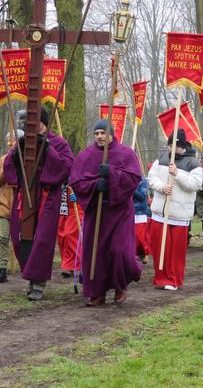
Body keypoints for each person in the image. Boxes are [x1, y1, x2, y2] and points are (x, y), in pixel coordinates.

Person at [70, 119, 143, 306]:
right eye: (96, 133)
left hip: (119, 212)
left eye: (103, 133)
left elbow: (134, 178)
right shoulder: (86, 155)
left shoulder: (126, 153)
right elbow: (77, 182)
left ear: (111, 134)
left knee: (119, 250)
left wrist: (112, 174)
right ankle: (97, 292)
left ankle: (120, 286)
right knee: (96, 252)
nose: (99, 137)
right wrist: (96, 185)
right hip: (97, 212)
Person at [4, 107, 74, 301]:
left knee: (42, 240)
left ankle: (39, 282)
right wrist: (17, 152)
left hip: (47, 197)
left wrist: (48, 149)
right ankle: (30, 276)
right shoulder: (24, 141)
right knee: (19, 238)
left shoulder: (59, 143)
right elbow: (9, 167)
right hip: (25, 196)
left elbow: (67, 167)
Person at [147, 129, 203, 291]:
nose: (173, 148)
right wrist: (162, 187)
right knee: (159, 249)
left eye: (177, 145)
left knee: (175, 251)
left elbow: (195, 185)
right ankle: (161, 278)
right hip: (159, 212)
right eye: (171, 145)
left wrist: (177, 173)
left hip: (179, 214)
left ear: (183, 145)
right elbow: (152, 177)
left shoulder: (193, 163)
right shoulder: (161, 159)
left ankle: (173, 279)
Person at [0, 129, 23, 284]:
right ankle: (2, 268)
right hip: (5, 204)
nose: (10, 143)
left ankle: (27, 266)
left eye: (14, 139)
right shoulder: (3, 159)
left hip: (22, 205)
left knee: (22, 239)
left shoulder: (27, 159)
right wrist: (6, 168)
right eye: (8, 140)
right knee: (3, 237)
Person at [57, 180, 83, 278]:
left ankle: (75, 264)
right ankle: (67, 263)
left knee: (71, 234)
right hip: (63, 198)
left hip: (76, 201)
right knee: (61, 235)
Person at [133, 176, 151, 263]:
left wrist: (131, 188)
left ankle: (143, 253)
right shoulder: (124, 179)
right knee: (130, 237)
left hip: (140, 212)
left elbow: (142, 197)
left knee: (139, 237)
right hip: (127, 212)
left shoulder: (142, 181)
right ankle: (133, 255)